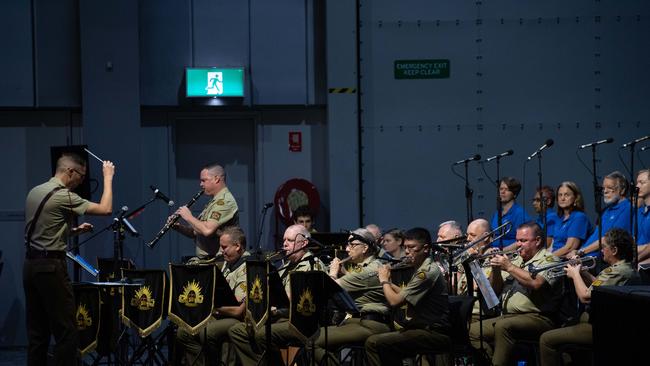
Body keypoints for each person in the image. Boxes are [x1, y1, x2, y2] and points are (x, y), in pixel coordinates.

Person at [23, 153, 115, 365]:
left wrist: (73, 231)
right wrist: (108, 177)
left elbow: (43, 230)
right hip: (50, 268)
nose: (81, 182)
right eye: (81, 177)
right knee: (67, 332)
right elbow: (105, 209)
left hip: (30, 266)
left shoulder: (35, 192)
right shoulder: (62, 195)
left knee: (38, 333)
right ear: (70, 172)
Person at [228, 224, 325, 365]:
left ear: (304, 243)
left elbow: (293, 299)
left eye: (290, 241)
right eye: (284, 240)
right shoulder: (286, 265)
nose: (284, 244)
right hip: (281, 316)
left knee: (261, 334)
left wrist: (272, 309)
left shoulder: (312, 264)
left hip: (301, 321)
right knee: (237, 331)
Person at [539, 228, 639, 366]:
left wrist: (575, 275)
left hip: (602, 327)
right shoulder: (623, 268)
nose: (601, 251)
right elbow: (600, 288)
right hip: (603, 323)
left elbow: (585, 297)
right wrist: (583, 272)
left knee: (546, 339)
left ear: (614, 250)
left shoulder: (616, 271)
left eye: (604, 248)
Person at [469, 222, 563, 366]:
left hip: (538, 317)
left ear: (537, 241)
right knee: (473, 331)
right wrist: (495, 269)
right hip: (508, 316)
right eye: (517, 240)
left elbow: (536, 283)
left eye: (523, 241)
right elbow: (494, 291)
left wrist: (509, 267)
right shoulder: (516, 259)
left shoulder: (549, 260)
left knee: (503, 326)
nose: (518, 244)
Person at [365, 227, 451, 366]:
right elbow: (406, 294)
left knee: (373, 343)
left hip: (433, 332)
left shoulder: (426, 272)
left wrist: (384, 280)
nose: (407, 252)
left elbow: (394, 302)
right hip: (421, 328)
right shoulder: (420, 268)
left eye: (412, 247)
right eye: (405, 247)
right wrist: (389, 282)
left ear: (426, 248)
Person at [312, 228, 392, 364]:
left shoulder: (372, 269)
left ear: (365, 247)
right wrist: (344, 274)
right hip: (358, 321)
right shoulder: (365, 267)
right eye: (347, 245)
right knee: (318, 337)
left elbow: (329, 288)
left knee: (312, 341)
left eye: (352, 245)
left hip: (371, 324)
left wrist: (333, 272)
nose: (347, 249)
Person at [176, 227, 250, 365]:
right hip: (220, 314)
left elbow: (238, 311)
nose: (221, 251)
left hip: (240, 319)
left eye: (224, 247)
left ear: (238, 246)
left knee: (208, 331)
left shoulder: (248, 267)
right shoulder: (228, 264)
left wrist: (210, 306)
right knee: (184, 331)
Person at [172, 163, 239, 259]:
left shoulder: (224, 202)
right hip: (209, 260)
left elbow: (207, 230)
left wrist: (188, 216)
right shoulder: (213, 202)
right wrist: (178, 227)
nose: (201, 184)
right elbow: (196, 232)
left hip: (220, 261)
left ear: (216, 179)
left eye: (204, 180)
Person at [578, 171, 631, 257]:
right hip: (587, 256)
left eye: (609, 187)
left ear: (622, 190)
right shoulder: (607, 210)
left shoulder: (627, 208)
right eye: (603, 188)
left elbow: (609, 239)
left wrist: (581, 251)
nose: (605, 191)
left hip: (600, 260)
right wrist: (579, 252)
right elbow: (595, 236)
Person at [550, 182, 592, 257]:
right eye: (560, 195)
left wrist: (547, 259)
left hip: (564, 263)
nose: (562, 198)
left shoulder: (579, 217)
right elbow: (554, 245)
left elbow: (570, 248)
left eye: (567, 195)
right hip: (554, 259)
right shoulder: (559, 218)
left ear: (576, 198)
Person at [490, 177, 530, 250]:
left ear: (514, 194)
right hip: (495, 251)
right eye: (501, 189)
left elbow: (523, 240)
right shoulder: (497, 213)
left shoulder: (519, 213)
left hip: (511, 254)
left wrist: (503, 251)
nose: (502, 192)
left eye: (507, 189)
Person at [635, 169, 650, 265]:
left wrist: (637, 259)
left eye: (642, 182)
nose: (637, 186)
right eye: (637, 182)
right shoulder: (639, 212)